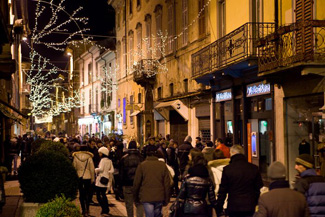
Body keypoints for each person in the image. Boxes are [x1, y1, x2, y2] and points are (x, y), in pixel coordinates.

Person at [216, 145, 263, 217]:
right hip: (249, 205)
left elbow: (223, 191)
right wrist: (255, 201)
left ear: (232, 153)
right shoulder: (253, 168)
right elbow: (258, 187)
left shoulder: (228, 169)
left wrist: (219, 207)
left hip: (233, 205)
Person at [133, 145, 171, 217]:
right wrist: (167, 198)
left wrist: (136, 197)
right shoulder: (162, 165)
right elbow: (167, 183)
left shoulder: (142, 166)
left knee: (149, 215)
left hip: (146, 195)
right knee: (157, 214)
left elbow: (136, 183)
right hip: (159, 195)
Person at [179, 148, 218, 217]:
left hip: (189, 205)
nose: (188, 156)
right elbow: (212, 185)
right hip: (204, 203)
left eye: (190, 155)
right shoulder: (207, 169)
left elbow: (183, 190)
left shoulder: (189, 169)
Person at [119, 141, 144, 217]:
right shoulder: (141, 158)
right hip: (139, 184)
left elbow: (121, 173)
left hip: (127, 184)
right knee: (139, 203)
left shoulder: (124, 158)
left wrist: (120, 185)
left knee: (129, 204)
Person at [73, 145, 95, 217]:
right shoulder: (89, 158)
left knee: (81, 194)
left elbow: (74, 167)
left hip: (79, 177)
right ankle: (87, 209)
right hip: (88, 177)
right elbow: (92, 169)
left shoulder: (76, 157)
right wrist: (93, 178)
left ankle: (83, 209)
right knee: (87, 194)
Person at [95, 147, 114, 217]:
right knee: (103, 195)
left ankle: (104, 209)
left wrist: (95, 169)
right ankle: (106, 209)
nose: (99, 154)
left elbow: (101, 169)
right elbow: (112, 170)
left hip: (100, 179)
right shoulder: (109, 160)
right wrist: (107, 172)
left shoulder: (102, 160)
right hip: (106, 180)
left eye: (100, 153)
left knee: (98, 196)